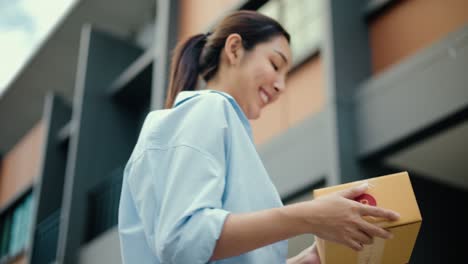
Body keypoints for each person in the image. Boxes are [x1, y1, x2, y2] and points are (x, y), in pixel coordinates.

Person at [118, 10, 400, 264]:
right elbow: (185, 241)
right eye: (276, 65)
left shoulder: (221, 126)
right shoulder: (207, 109)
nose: (280, 86)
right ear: (235, 48)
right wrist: (311, 217)